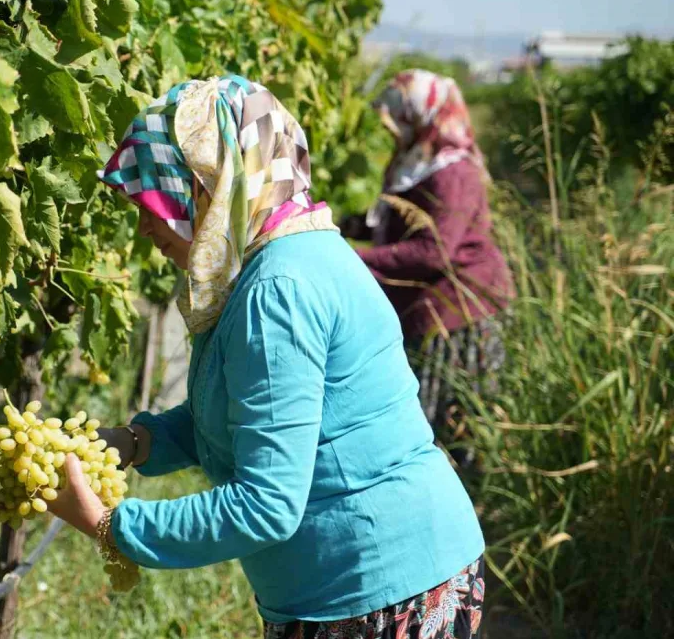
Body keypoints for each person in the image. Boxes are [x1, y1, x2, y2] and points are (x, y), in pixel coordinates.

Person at [47, 75, 486, 639]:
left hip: (378, 588)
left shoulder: (276, 290)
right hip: (369, 579)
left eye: (158, 199)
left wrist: (109, 525)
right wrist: (138, 442)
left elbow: (266, 504)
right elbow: (255, 412)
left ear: (212, 184)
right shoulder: (291, 253)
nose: (145, 226)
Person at [344, 69, 514, 447]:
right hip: (429, 310)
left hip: (458, 315)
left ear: (420, 115)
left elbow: (433, 251)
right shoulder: (420, 161)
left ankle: (453, 498)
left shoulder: (453, 173)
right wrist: (347, 227)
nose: (389, 128)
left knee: (441, 423)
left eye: (396, 117)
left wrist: (355, 259)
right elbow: (405, 222)